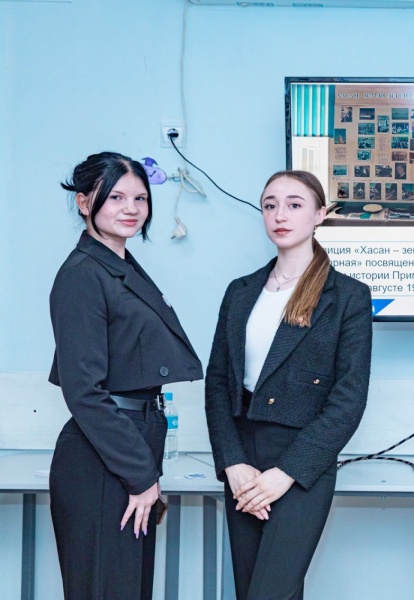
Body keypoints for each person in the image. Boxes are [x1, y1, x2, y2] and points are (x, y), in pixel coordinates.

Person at [205, 170, 372, 599]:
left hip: (302, 461)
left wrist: (286, 474)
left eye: (295, 205)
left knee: (271, 593)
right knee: (251, 590)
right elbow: (218, 384)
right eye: (270, 205)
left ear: (319, 215)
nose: (280, 214)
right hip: (243, 459)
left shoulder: (348, 296)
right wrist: (232, 463)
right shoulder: (241, 292)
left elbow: (348, 399)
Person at [48, 152, 203, 599]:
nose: (131, 208)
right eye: (115, 197)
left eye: (140, 198)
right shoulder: (82, 275)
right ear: (84, 203)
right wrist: (140, 476)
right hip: (104, 458)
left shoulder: (120, 266)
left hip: (130, 446)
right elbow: (84, 392)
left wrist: (143, 471)